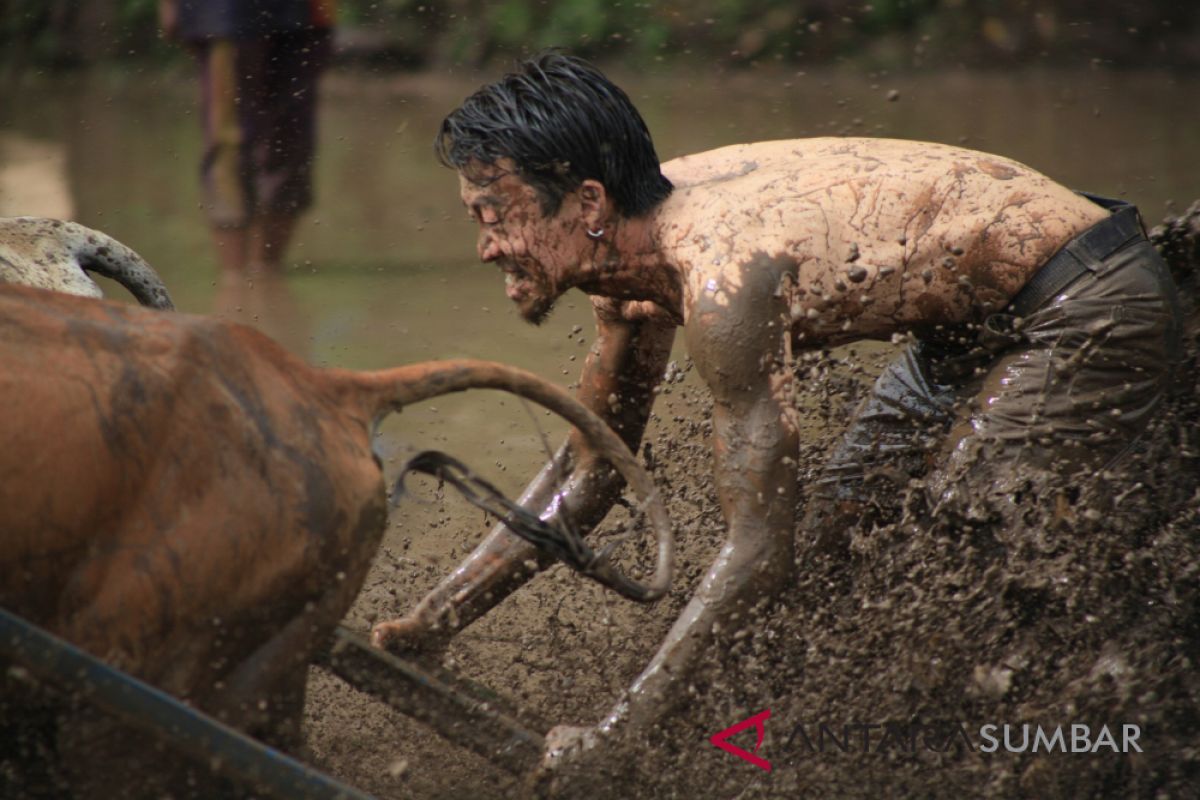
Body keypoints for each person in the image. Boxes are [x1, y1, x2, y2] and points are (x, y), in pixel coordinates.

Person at [369, 52, 1183, 776]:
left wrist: (621, 730)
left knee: (950, 530)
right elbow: (593, 472)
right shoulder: (625, 252)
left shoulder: (721, 280)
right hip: (963, 334)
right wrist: (436, 620)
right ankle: (767, 740)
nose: (486, 249)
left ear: (586, 203)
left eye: (498, 218)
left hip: (1084, 302)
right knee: (839, 532)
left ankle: (1054, 743)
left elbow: (759, 546)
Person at [158, 0, 335, 278]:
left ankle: (268, 271)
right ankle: (234, 279)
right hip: (225, 13)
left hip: (307, 12)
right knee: (228, 138)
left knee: (291, 139)